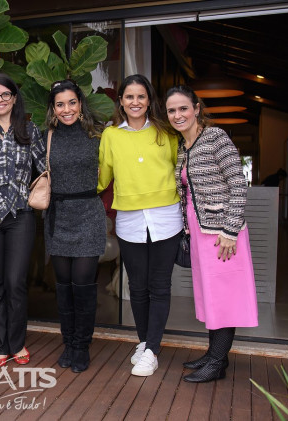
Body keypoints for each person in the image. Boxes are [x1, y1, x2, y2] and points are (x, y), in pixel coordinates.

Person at [165, 85, 258, 383]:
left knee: (224, 297)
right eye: (171, 110)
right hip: (199, 233)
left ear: (196, 108)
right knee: (211, 295)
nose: (178, 115)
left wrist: (230, 230)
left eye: (183, 108)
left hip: (222, 235)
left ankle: (217, 363)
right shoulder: (183, 146)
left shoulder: (216, 137)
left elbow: (238, 184)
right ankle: (214, 354)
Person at [98, 74, 182, 377]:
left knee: (159, 286)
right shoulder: (111, 135)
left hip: (166, 218)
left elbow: (180, 170)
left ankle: (152, 349)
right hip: (130, 220)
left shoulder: (166, 132)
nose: (135, 102)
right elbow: (103, 177)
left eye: (141, 96)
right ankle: (145, 342)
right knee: (137, 286)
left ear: (149, 100)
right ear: (121, 101)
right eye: (129, 97)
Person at [0, 74, 45, 367]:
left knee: (15, 282)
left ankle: (17, 342)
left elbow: (45, 168)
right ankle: (1, 345)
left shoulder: (29, 130)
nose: (0, 100)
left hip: (21, 216)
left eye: (5, 94)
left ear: (15, 98)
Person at [44, 79, 106, 373]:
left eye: (71, 102)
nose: (66, 109)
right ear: (53, 108)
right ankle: (68, 342)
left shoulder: (98, 134)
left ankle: (82, 345)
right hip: (58, 216)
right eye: (60, 104)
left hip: (89, 214)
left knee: (83, 285)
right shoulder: (47, 136)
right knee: (63, 286)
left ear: (80, 103)